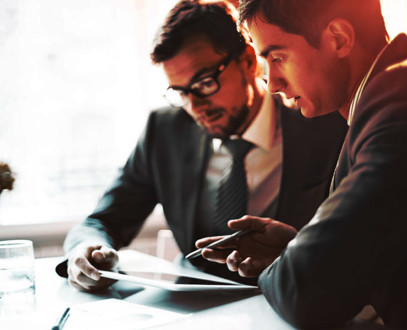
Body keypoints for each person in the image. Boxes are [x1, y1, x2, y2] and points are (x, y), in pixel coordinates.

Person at [56, 0, 347, 291]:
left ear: (247, 61)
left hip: (285, 302)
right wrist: (86, 250)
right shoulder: (165, 130)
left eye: (205, 83)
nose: (195, 108)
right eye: (181, 92)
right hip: (192, 304)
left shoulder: (324, 125)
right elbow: (103, 221)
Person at [196, 0, 407, 328]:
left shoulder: (404, 102)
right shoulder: (397, 88)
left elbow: (305, 291)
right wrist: (295, 249)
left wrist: (290, 267)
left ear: (339, 37)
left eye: (277, 57)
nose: (272, 84)